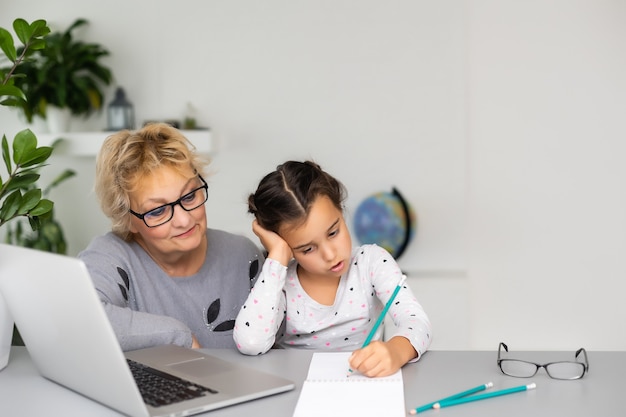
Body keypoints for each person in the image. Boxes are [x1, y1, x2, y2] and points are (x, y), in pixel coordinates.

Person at [233, 160, 431, 377]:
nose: (330, 255)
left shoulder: (371, 262)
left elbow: (416, 321)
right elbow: (250, 342)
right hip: (297, 388)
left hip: (361, 381)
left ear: (341, 210)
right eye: (308, 249)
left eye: (333, 232)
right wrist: (277, 257)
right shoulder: (280, 282)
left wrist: (395, 351)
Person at [78, 123, 263, 352]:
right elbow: (79, 316)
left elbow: (285, 351)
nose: (184, 220)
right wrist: (177, 336)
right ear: (128, 220)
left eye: (189, 196)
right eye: (158, 211)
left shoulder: (243, 255)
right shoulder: (111, 255)